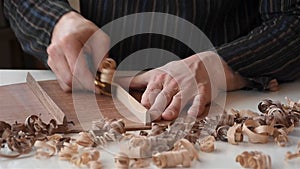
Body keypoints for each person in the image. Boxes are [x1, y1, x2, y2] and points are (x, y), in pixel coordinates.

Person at [3, 0, 300, 121]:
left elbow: (293, 18)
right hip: (107, 92)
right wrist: (58, 21)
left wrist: (220, 65)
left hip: (228, 98)